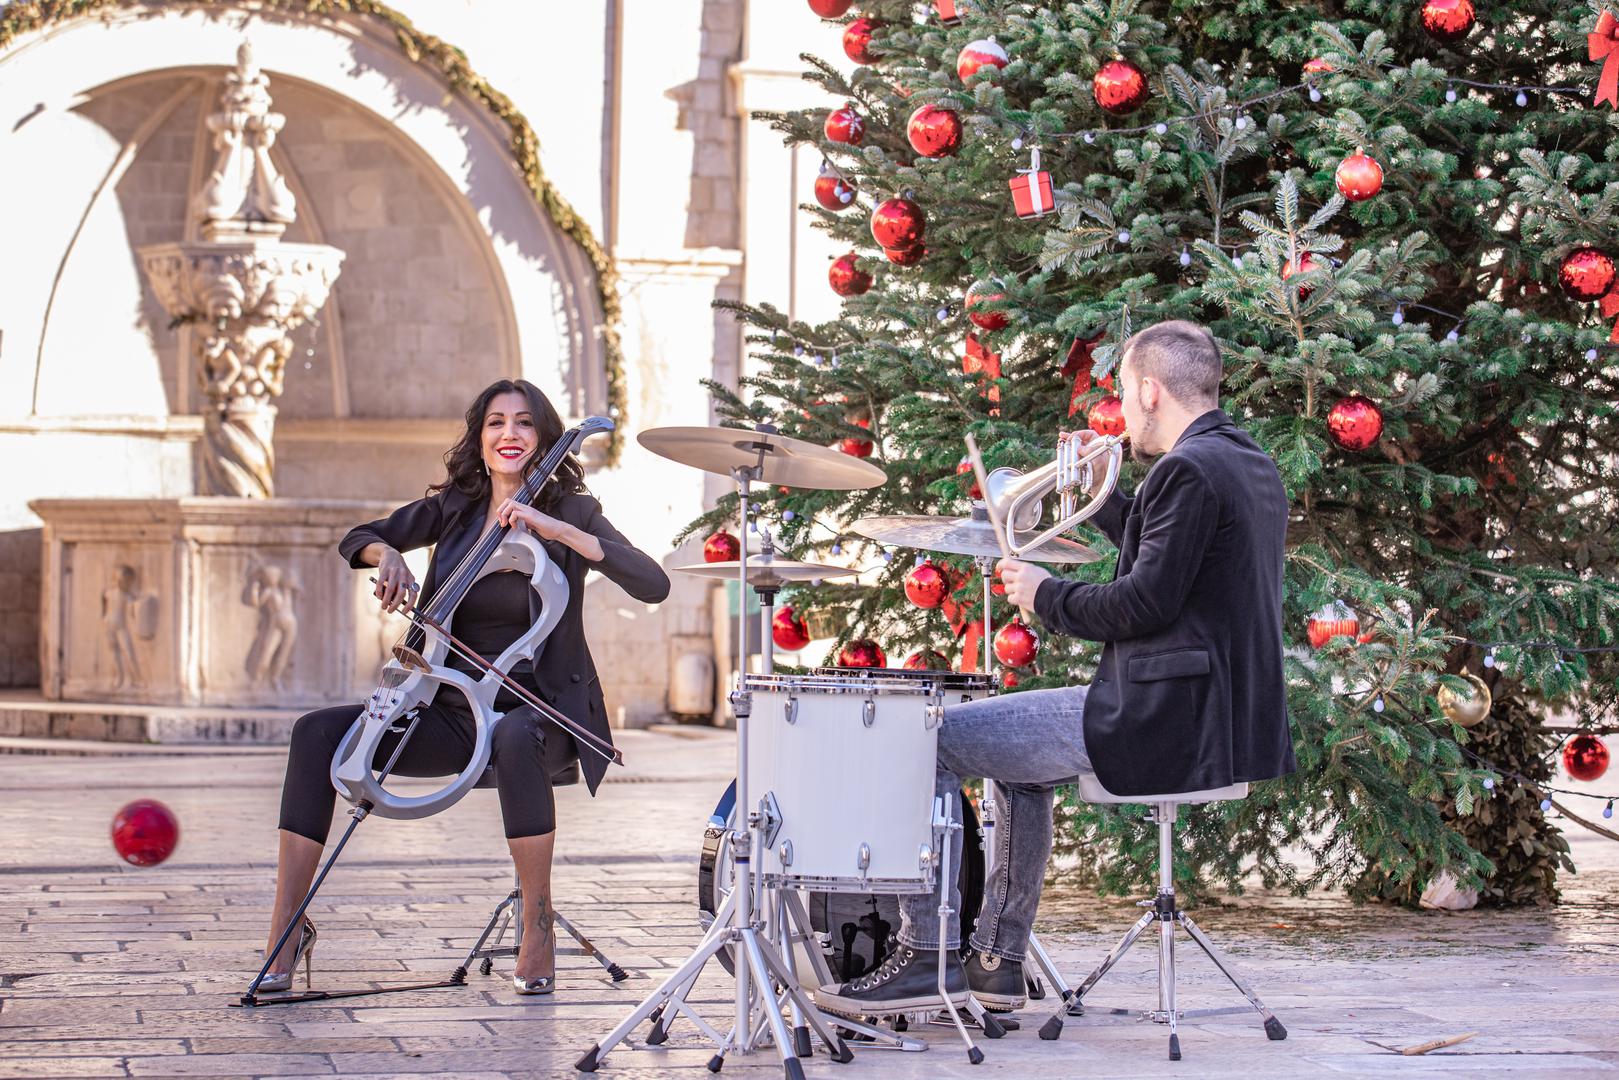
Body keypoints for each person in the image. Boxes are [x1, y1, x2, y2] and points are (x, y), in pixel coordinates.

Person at [815, 319, 1295, 1016]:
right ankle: (996, 963)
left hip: (1159, 717)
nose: (1122, 413)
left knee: (921, 740)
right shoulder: (1243, 462)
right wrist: (1103, 501)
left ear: (1151, 390)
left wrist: (1045, 594)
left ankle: (928, 954)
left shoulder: (1186, 470)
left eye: (1125, 395)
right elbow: (1176, 556)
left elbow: (1142, 604)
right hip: (1211, 713)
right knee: (1015, 760)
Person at [258, 379, 670, 995]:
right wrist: (388, 556)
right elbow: (359, 537)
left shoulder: (573, 511)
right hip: (451, 711)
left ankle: (538, 923)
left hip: (544, 718)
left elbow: (651, 583)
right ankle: (287, 927)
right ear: (479, 439)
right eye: (496, 423)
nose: (510, 434)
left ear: (544, 438)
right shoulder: (454, 508)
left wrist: (555, 533)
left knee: (512, 730)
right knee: (315, 734)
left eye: (525, 423)